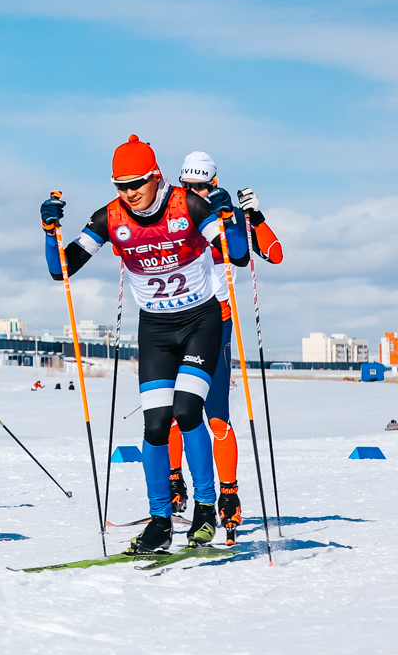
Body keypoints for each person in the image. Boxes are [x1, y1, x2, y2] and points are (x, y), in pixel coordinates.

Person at [40, 135, 248, 552]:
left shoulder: (187, 205)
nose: (129, 193)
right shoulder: (109, 218)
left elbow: (238, 255)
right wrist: (49, 231)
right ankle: (160, 520)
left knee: (189, 411)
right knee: (155, 425)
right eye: (120, 185)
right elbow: (62, 270)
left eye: (136, 183)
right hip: (154, 329)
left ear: (156, 177)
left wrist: (228, 217)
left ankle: (206, 508)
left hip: (199, 321)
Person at [166, 152, 284, 544]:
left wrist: (255, 216)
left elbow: (274, 254)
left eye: (202, 186)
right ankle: (173, 483)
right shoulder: (173, 211)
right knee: (171, 414)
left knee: (215, 417)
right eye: (188, 187)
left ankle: (229, 496)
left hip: (215, 322)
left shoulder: (226, 212)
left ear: (214, 184)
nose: (195, 193)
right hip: (175, 320)